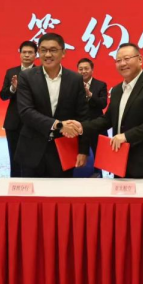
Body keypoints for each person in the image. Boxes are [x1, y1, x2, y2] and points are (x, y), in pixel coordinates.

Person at [75, 43, 143, 178]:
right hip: (119, 161)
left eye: (127, 59)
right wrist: (81, 127)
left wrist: (126, 136)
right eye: (118, 60)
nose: (122, 63)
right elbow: (107, 119)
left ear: (139, 60)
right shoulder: (117, 90)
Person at [15, 33, 89, 178]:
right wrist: (58, 125)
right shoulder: (26, 76)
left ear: (63, 53)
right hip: (32, 150)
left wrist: (83, 150)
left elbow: (83, 117)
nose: (48, 54)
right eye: (43, 50)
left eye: (53, 50)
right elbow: (26, 112)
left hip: (63, 151)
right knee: (32, 192)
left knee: (61, 191)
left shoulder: (75, 79)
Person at [0, 40, 37, 177]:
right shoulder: (11, 72)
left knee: (32, 158)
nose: (26, 55)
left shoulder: (41, 72)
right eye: (24, 52)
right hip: (13, 122)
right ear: (20, 54)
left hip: (34, 122)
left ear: (35, 55)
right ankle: (15, 185)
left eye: (30, 52)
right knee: (14, 158)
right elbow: (3, 95)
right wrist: (12, 88)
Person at [77, 58, 108, 177]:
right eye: (80, 69)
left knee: (100, 156)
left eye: (86, 68)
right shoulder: (74, 84)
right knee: (78, 154)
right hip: (79, 126)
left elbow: (103, 104)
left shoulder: (100, 85)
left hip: (97, 125)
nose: (83, 71)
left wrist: (90, 94)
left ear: (92, 70)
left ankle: (99, 175)